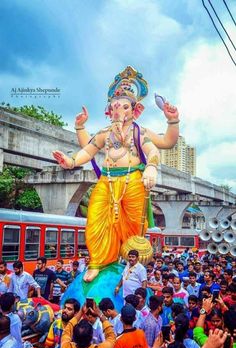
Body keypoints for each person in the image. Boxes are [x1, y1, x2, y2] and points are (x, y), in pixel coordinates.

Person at [53, 66, 179, 282]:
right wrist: (71, 160)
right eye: (114, 107)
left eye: (123, 107)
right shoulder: (105, 133)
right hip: (107, 180)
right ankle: (98, 262)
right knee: (95, 219)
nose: (118, 111)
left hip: (133, 181)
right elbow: (88, 149)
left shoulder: (140, 132)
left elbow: (162, 145)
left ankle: (130, 264)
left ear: (134, 110)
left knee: (132, 226)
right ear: (109, 110)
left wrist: (172, 122)